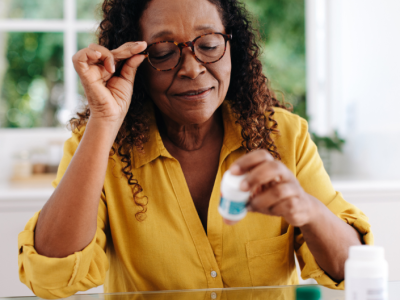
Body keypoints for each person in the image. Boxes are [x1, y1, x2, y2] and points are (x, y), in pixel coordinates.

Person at [18, 0, 372, 299]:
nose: (191, 68)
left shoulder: (283, 135)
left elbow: (352, 268)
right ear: (135, 62)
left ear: (233, 46)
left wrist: (308, 209)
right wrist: (104, 120)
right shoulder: (99, 145)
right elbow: (50, 276)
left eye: (208, 43)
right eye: (162, 51)